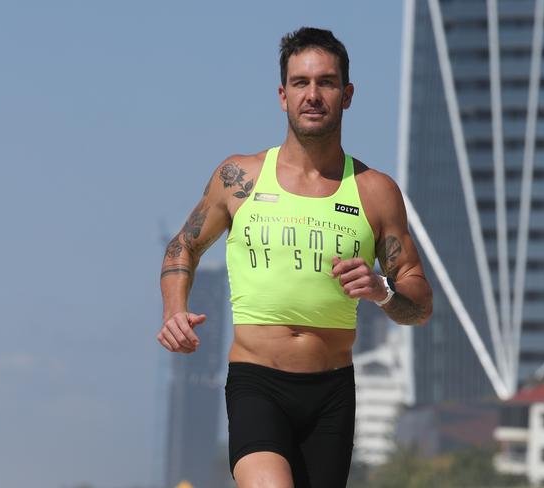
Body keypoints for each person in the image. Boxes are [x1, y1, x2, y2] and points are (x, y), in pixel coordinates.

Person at [157, 27, 433, 488]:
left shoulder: (375, 192)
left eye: (326, 82)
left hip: (332, 394)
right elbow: (182, 245)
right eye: (301, 83)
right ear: (282, 95)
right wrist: (174, 311)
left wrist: (382, 291)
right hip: (256, 383)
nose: (313, 95)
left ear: (347, 95)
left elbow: (420, 303)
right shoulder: (238, 177)